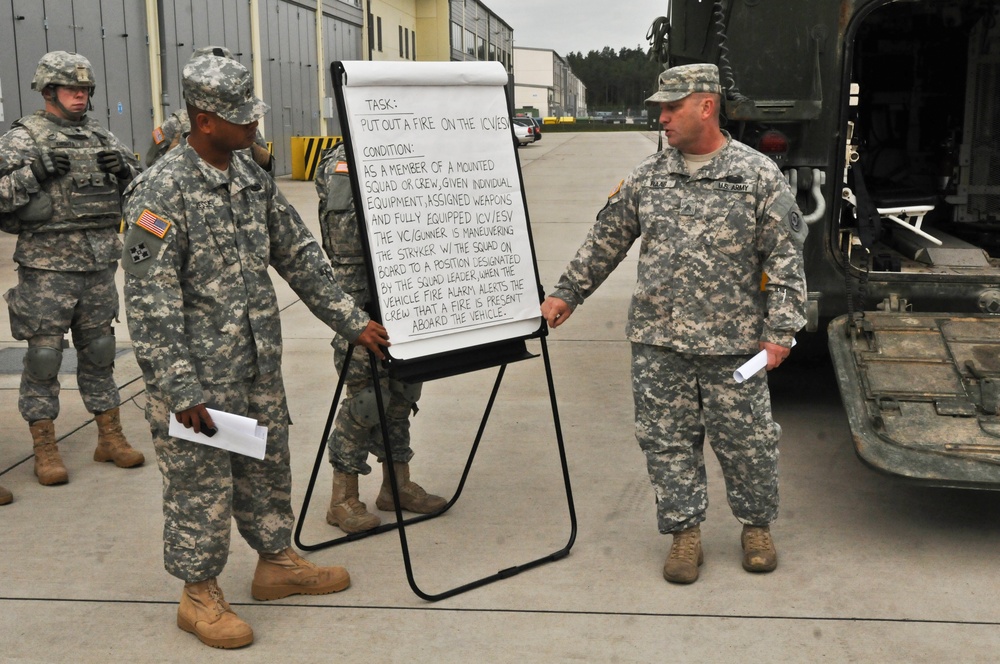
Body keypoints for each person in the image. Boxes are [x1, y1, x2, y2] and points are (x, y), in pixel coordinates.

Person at [120, 54, 389, 649]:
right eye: (241, 119)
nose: (254, 128)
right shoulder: (160, 192)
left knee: (268, 467)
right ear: (204, 120)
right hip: (197, 380)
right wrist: (181, 391)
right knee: (201, 486)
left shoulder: (249, 176)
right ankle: (199, 595)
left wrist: (354, 322)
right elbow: (148, 302)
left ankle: (275, 564)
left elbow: (300, 257)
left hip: (256, 367)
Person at [540, 63, 807, 585]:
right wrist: (566, 293)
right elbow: (607, 240)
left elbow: (785, 258)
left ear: (705, 106)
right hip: (658, 342)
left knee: (748, 440)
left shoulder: (756, 175)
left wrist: (781, 331)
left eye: (671, 107)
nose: (661, 117)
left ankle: (756, 527)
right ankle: (685, 535)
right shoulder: (648, 176)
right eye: (659, 108)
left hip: (735, 348)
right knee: (666, 441)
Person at [0, 51, 145, 488]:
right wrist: (34, 173)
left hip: (99, 263)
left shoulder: (102, 136)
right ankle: (46, 448)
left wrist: (126, 170)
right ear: (48, 92)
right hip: (46, 269)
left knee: (100, 352)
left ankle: (109, 437)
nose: (80, 97)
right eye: (71, 89)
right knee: (44, 358)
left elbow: (144, 191)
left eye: (85, 90)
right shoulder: (23, 138)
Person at [314, 143, 446, 534]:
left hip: (407, 292)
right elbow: (344, 243)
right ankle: (342, 499)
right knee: (367, 398)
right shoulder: (342, 162)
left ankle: (396, 485)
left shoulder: (411, 149)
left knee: (404, 390)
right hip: (360, 300)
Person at [145, 46, 273, 172]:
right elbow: (152, 165)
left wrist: (258, 156)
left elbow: (268, 171)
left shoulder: (245, 124)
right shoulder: (174, 124)